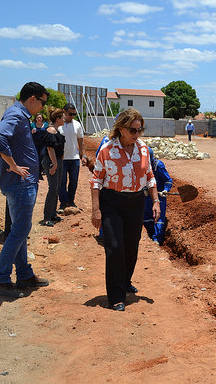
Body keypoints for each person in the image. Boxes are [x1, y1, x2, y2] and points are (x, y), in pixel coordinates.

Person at [90, 108, 160, 312]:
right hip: (112, 202)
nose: (137, 134)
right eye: (133, 130)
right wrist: (96, 210)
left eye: (140, 130)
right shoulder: (107, 150)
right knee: (114, 247)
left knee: (131, 246)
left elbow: (150, 176)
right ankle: (116, 296)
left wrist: (155, 201)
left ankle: (125, 280)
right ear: (121, 129)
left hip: (136, 202)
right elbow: (96, 181)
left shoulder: (144, 150)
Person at [0, 82, 50, 298]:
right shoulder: (16, 113)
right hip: (20, 184)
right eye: (42, 102)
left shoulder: (20, 114)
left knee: (20, 231)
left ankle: (24, 275)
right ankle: (1, 279)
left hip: (23, 183)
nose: (43, 107)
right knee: (20, 231)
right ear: (33, 98)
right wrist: (13, 165)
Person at [58, 103, 87, 210]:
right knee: (62, 182)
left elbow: (81, 142)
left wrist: (83, 155)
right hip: (62, 159)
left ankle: (71, 201)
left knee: (73, 181)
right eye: (70, 114)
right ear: (64, 112)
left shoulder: (78, 125)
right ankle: (63, 203)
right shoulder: (59, 125)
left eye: (74, 114)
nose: (72, 116)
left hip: (74, 158)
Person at [40, 108, 66, 227]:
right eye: (63, 118)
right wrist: (54, 164)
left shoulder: (57, 130)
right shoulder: (51, 131)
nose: (65, 119)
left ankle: (53, 214)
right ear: (58, 119)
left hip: (58, 161)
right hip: (51, 162)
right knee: (52, 189)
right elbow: (50, 149)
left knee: (56, 188)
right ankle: (46, 217)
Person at [143, 146, 173, 244]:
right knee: (147, 218)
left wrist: (165, 190)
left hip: (160, 197)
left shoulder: (158, 166)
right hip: (147, 197)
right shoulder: (140, 166)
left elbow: (168, 180)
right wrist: (144, 189)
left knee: (158, 218)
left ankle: (157, 240)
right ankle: (150, 236)